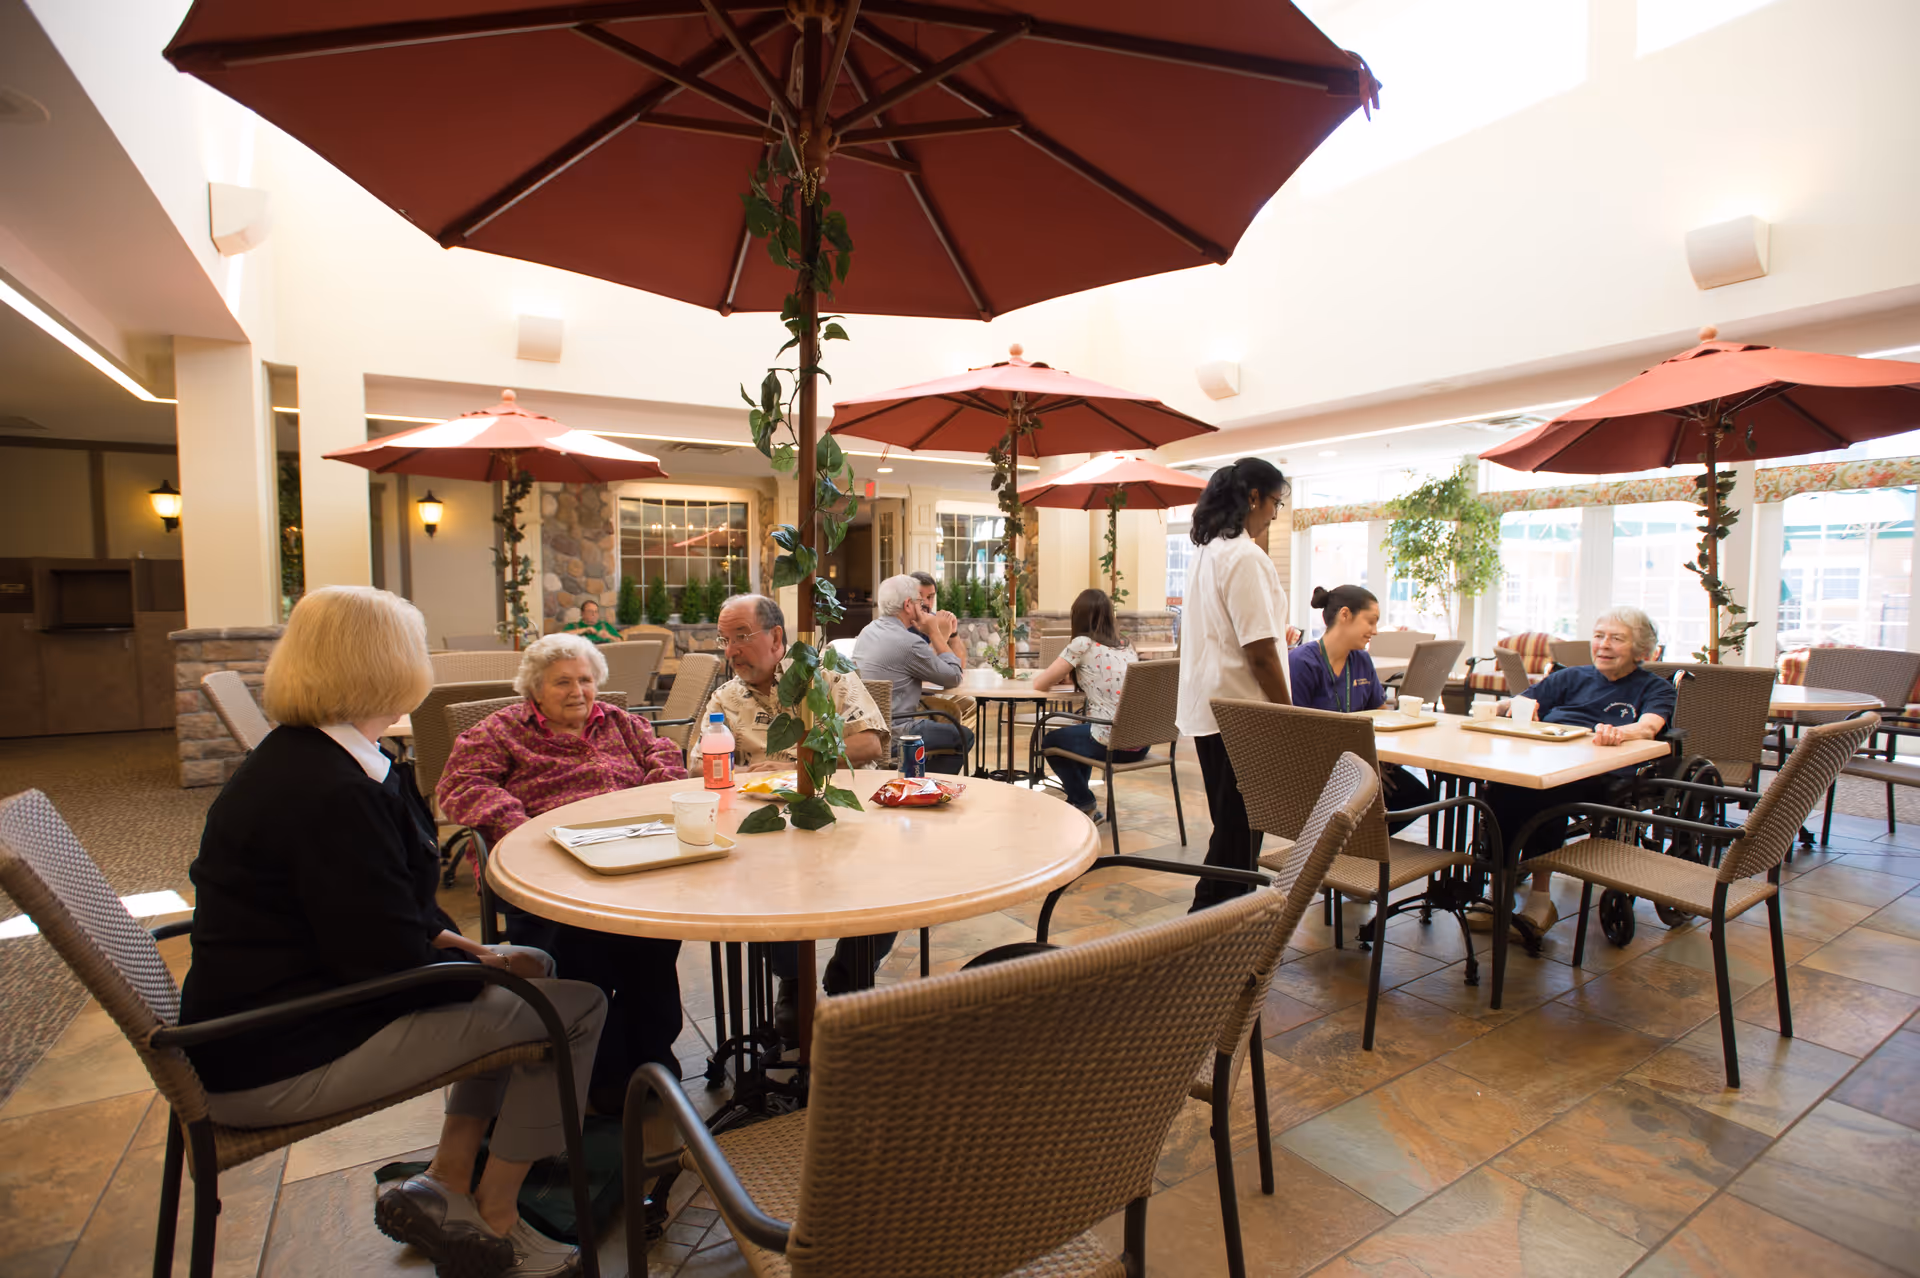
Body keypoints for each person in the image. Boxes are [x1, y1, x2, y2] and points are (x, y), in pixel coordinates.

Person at [182, 587, 604, 1278]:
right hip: (278, 1053)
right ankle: (499, 1219)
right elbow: (377, 960)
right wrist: (478, 970)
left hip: (273, 1012)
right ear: (383, 663)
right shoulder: (327, 792)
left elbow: (369, 912)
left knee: (530, 965)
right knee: (574, 1009)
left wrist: (466, 948)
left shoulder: (324, 758)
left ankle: (448, 1174)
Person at [437, 632, 688, 1117]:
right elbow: (458, 785)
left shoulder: (618, 722)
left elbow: (665, 753)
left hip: (630, 853)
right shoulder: (501, 730)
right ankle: (607, 1074)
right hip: (549, 867)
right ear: (534, 687)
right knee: (587, 950)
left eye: (586, 680)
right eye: (562, 682)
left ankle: (651, 1057)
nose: (578, 691)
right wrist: (521, 828)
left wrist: (653, 794)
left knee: (657, 940)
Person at [706, 594, 894, 1037]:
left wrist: (795, 767)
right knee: (767, 877)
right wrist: (736, 769)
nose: (730, 650)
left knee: (894, 880)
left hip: (839, 812)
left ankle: (850, 974)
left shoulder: (825, 674)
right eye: (724, 640)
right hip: (762, 826)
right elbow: (702, 764)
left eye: (740, 637)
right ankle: (793, 981)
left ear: (775, 637)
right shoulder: (725, 697)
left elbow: (870, 743)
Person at [1484, 606, 1677, 936]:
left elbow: (1648, 728)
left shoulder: (1654, 688)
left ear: (1640, 649)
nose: (1603, 645)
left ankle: (1542, 898)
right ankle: (1496, 890)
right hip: (1548, 757)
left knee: (1548, 793)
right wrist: (1515, 706)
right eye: (1599, 636)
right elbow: (1514, 703)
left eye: (1616, 639)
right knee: (1501, 787)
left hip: (1603, 772)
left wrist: (1622, 732)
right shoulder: (1570, 677)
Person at [1176, 457, 1293, 912]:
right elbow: (1259, 652)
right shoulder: (1244, 555)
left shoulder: (1209, 552)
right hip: (1242, 712)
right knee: (1238, 832)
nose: (1274, 515)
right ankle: (1208, 927)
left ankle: (1220, 925)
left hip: (1213, 708)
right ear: (1253, 498)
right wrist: (1291, 714)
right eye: (1275, 504)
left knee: (1235, 828)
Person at [1287, 584, 1437, 833]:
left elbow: (1379, 713)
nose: (1375, 631)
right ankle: (1347, 849)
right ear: (1345, 615)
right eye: (1371, 621)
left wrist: (1381, 760)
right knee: (1387, 799)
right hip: (1319, 769)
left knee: (1418, 798)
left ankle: (1358, 849)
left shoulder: (1361, 660)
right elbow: (1298, 733)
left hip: (1360, 763)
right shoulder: (1302, 662)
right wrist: (1362, 768)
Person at [1030, 588, 1143, 823]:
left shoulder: (1083, 643)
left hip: (1111, 742)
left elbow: (1040, 684)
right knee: (1077, 733)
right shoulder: (1126, 646)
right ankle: (1079, 804)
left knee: (1050, 742)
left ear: (1078, 617)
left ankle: (1083, 801)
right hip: (1139, 742)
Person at [854, 573, 975, 774]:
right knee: (963, 736)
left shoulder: (867, 631)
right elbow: (953, 676)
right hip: (897, 730)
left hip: (868, 730)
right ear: (908, 605)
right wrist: (935, 632)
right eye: (920, 602)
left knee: (946, 714)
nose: (924, 607)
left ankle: (916, 776)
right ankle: (925, 784)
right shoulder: (908, 642)